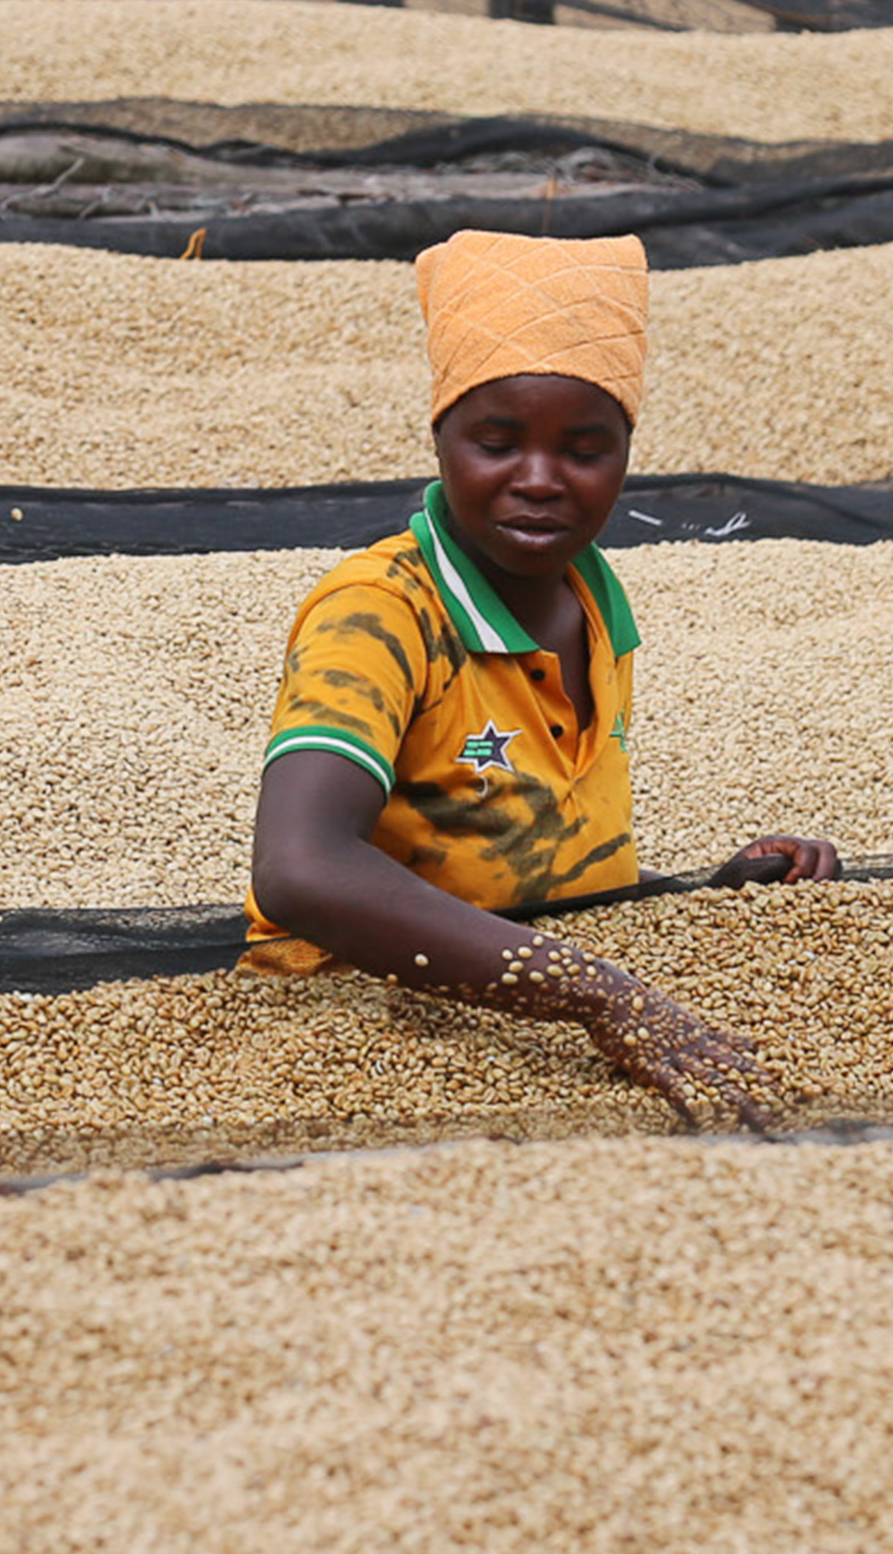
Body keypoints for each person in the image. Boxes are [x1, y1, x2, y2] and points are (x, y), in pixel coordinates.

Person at [244, 227, 842, 1129]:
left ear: (626, 456)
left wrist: (718, 898)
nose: (539, 480)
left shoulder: (593, 604)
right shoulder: (381, 611)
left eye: (585, 449)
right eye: (497, 441)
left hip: (550, 1016)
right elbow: (300, 869)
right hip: (354, 1024)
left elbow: (539, 859)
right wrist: (599, 994)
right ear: (441, 437)